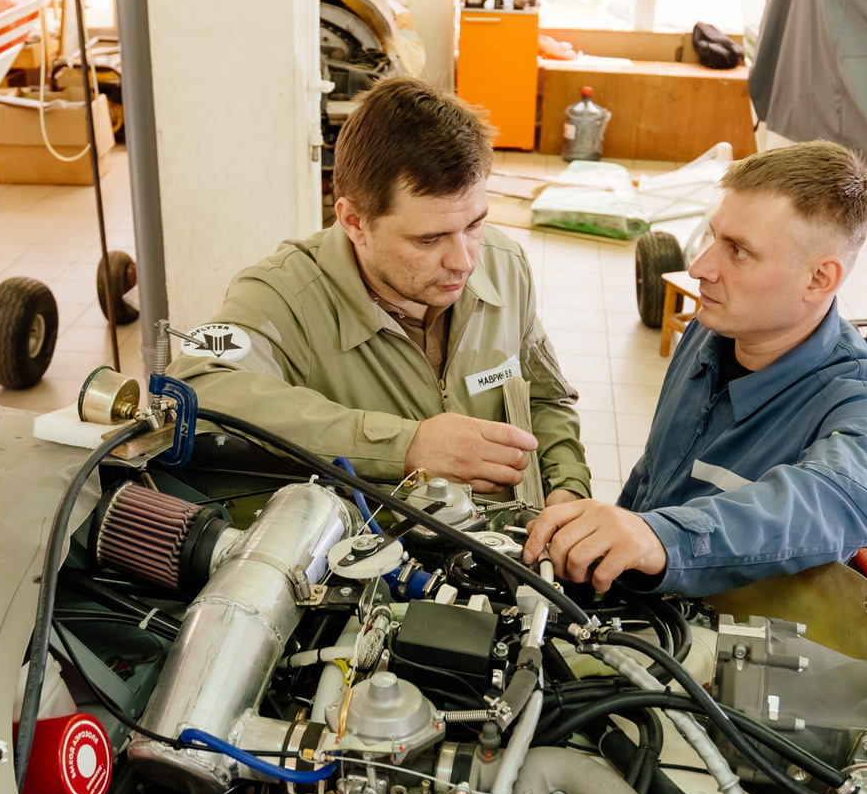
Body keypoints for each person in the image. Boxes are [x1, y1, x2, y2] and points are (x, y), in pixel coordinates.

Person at [173, 78, 589, 505]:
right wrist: (405, 446)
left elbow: (545, 397)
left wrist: (567, 488)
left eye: (474, 224)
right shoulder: (283, 296)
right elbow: (196, 388)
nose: (464, 261)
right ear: (354, 222)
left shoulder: (506, 264)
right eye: (429, 240)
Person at [523, 141, 867, 597]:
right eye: (713, 236)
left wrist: (660, 538)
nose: (700, 267)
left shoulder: (865, 402)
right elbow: (655, 476)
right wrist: (620, 534)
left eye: (739, 251)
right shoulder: (708, 334)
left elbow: (830, 502)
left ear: (819, 278)